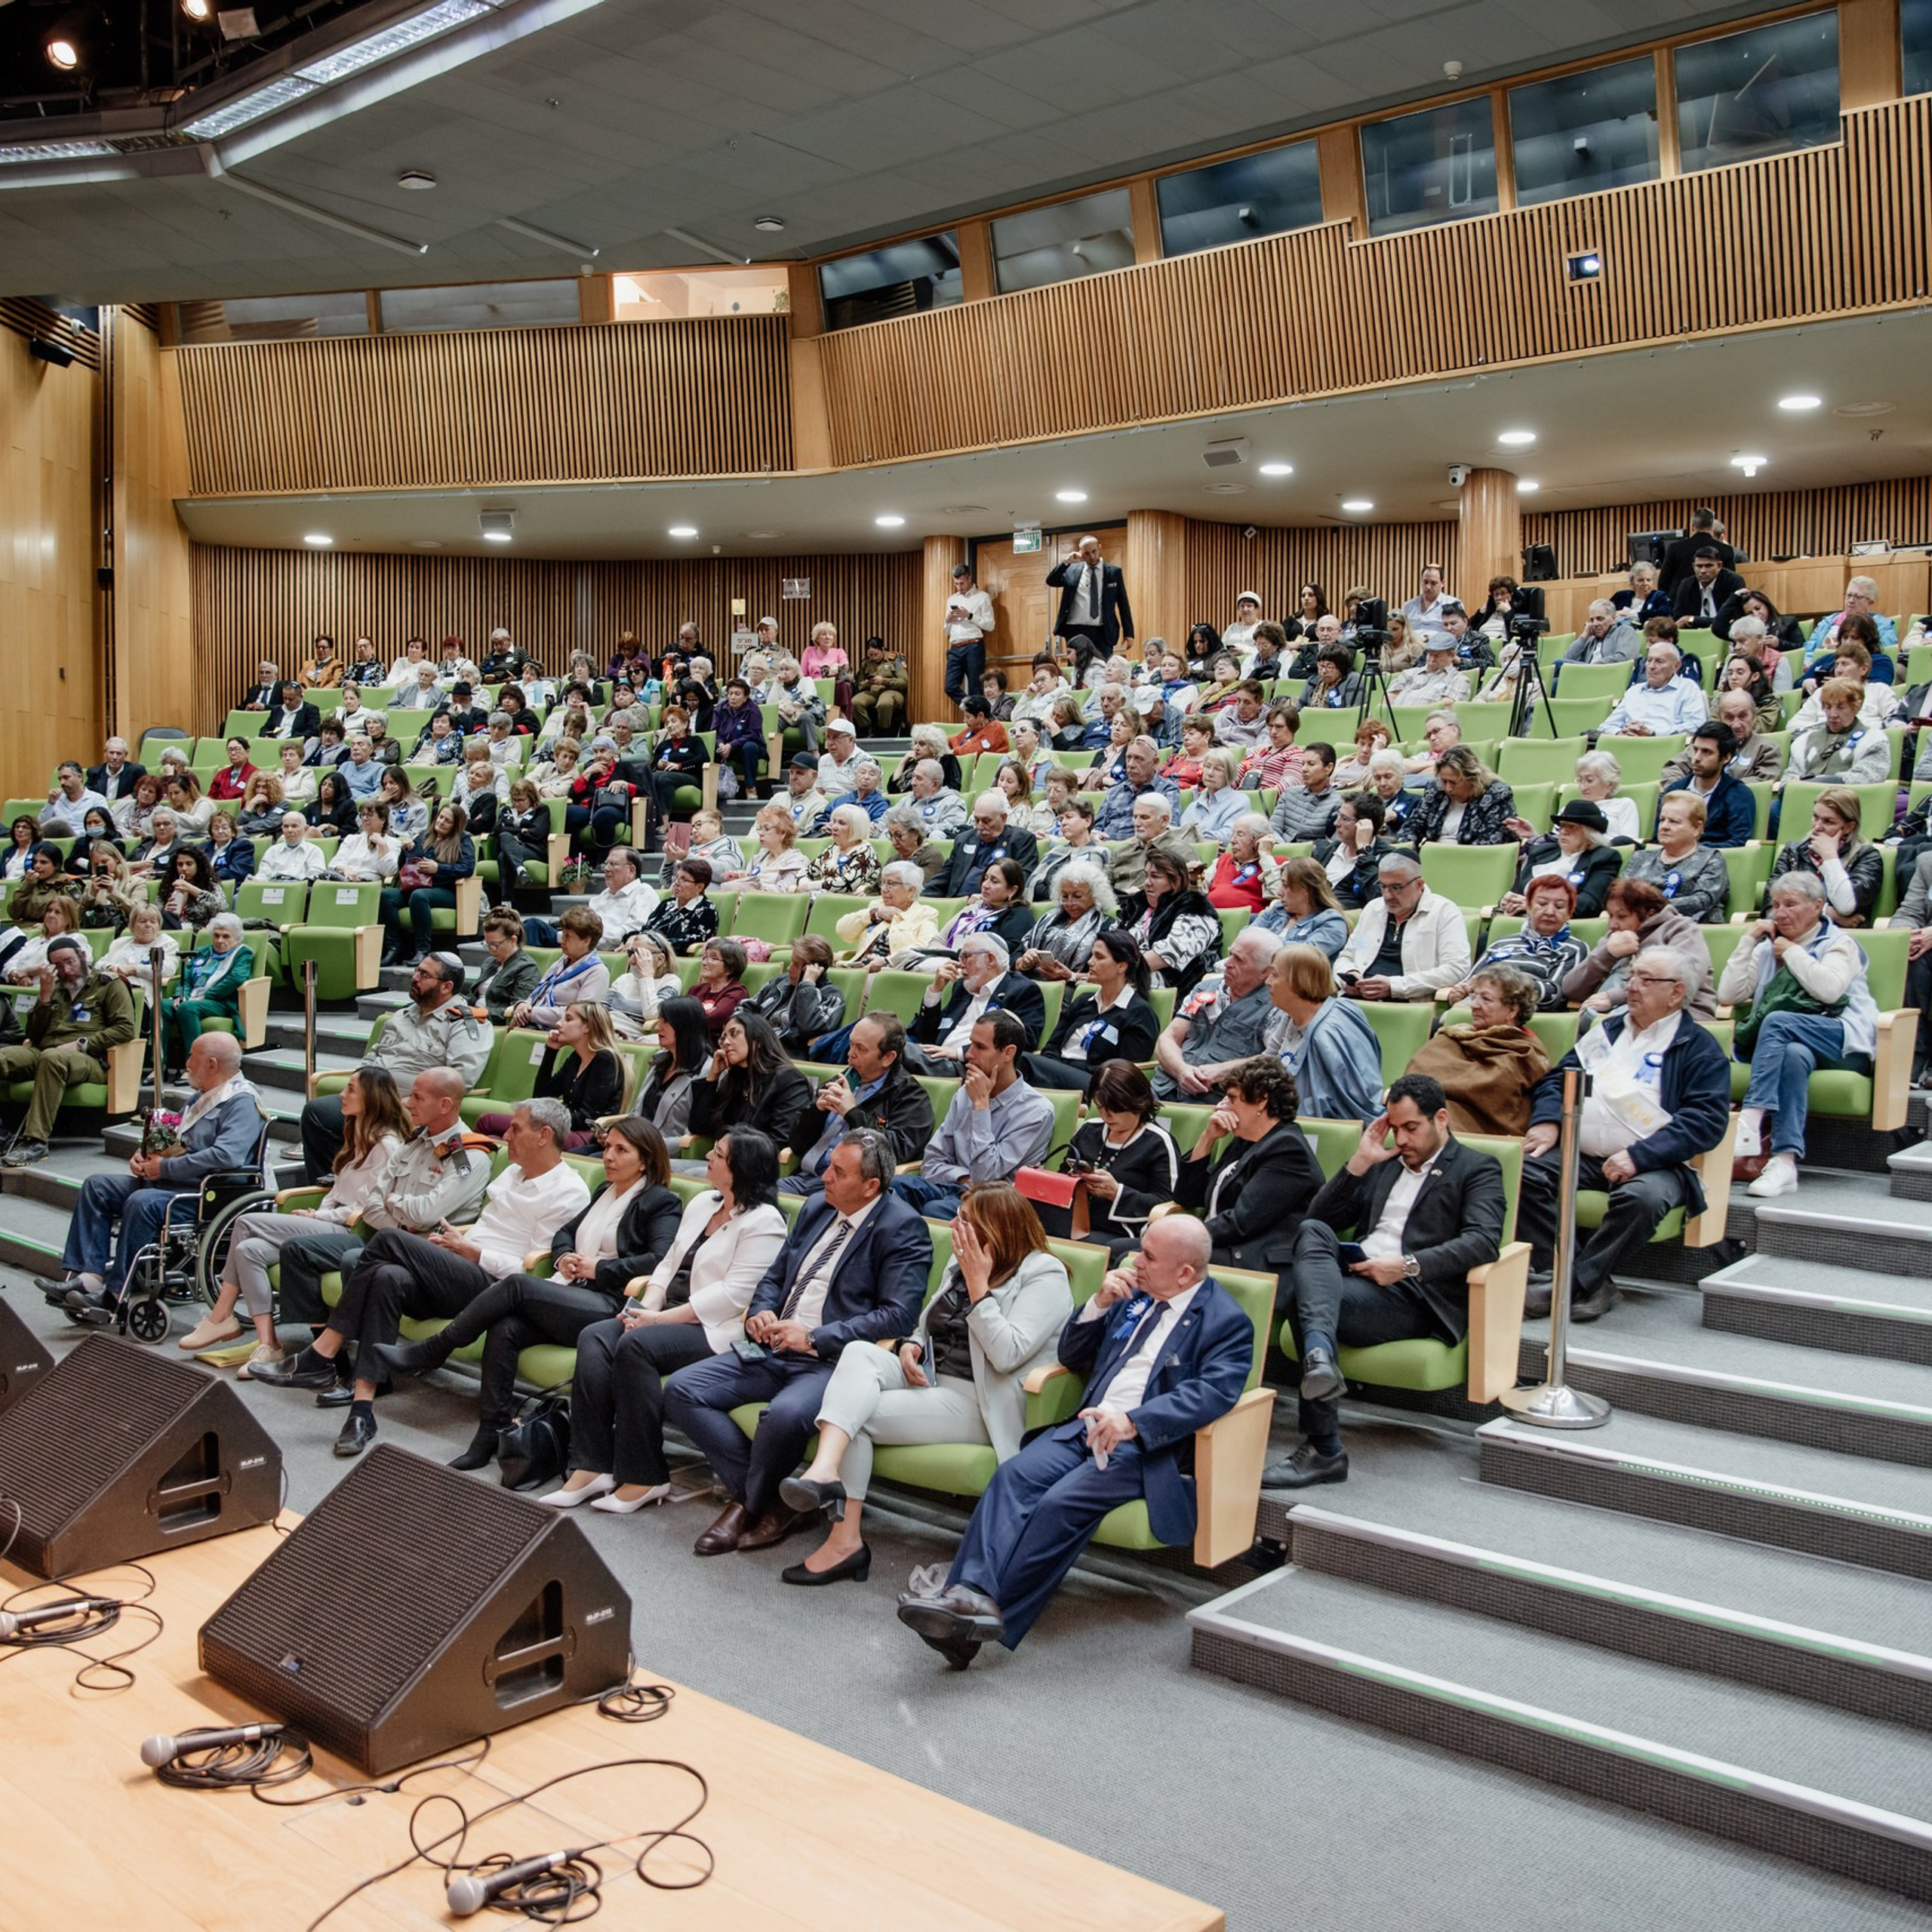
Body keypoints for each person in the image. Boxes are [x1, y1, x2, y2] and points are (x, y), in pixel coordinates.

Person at [896, 1214, 1246, 1664]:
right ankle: (968, 1594)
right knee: (1013, 1476)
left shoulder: (1225, 1322)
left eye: (1150, 1256)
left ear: (1185, 1273)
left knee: (1059, 1505)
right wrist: (1098, 1304)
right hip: (1082, 1426)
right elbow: (1071, 1356)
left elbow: (1211, 1394)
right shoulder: (1131, 1293)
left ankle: (969, 1625)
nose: (1136, 1260)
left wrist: (1134, 1421)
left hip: (1141, 1447)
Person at [781, 1183, 1074, 1585]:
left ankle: (844, 1541)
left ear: (997, 1228)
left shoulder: (1043, 1272)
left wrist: (978, 1286)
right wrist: (910, 1348)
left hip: (979, 1400)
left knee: (856, 1420)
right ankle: (824, 1470)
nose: (954, 1224)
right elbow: (925, 1328)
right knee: (857, 1353)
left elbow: (1008, 1354)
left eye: (966, 1220)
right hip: (930, 1378)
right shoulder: (961, 1262)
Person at [265, 1099, 592, 1457]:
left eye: (516, 1128)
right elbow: (488, 1229)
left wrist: (474, 1253)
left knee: (388, 1240)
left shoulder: (568, 1191)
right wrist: (459, 1241)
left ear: (545, 1136)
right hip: (461, 1267)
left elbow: (535, 1272)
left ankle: (324, 1349)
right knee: (387, 1275)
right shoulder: (512, 1172)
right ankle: (362, 1411)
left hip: (494, 1288)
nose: (506, 1134)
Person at [667, 1134, 932, 1554]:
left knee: (784, 1416)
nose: (823, 1176)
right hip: (772, 1345)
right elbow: (776, 1275)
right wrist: (762, 1310)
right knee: (682, 1389)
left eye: (838, 1173)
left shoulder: (903, 1228)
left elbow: (897, 1315)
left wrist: (813, 1337)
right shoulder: (815, 1207)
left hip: (831, 1361)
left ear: (871, 1187)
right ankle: (775, 1501)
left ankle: (745, 1505)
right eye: (828, 1165)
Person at [378, 1116, 685, 1469]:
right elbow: (564, 1233)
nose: (609, 1157)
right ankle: (490, 1431)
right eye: (608, 1147)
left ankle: (436, 1348)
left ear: (644, 1160)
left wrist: (598, 1268)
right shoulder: (605, 1191)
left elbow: (659, 1259)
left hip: (610, 1304)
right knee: (506, 1326)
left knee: (516, 1286)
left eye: (621, 1150)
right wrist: (565, 1256)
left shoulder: (660, 1201)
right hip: (572, 1291)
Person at [1267, 1075, 1506, 1489]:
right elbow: (1320, 1219)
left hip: (1412, 1297)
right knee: (1311, 1235)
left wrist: (1407, 1265)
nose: (1402, 1138)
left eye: (1411, 1127)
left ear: (1441, 1119)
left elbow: (1483, 1242)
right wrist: (1360, 1162)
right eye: (1395, 1128)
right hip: (1356, 1280)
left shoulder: (1476, 1168)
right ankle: (1320, 1361)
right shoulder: (1385, 1164)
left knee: (1300, 1292)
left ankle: (1324, 1446)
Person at [537, 1128, 789, 1514]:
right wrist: (642, 1309)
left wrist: (656, 1320)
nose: (709, 1158)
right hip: (665, 1312)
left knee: (635, 1346)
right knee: (597, 1336)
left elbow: (732, 1296)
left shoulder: (765, 1222)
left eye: (718, 1154)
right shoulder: (705, 1201)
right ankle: (591, 1465)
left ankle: (645, 1475)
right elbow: (668, 1263)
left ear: (741, 1168)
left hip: (716, 1328)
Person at [1521, 948, 1731, 1320]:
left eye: (1646, 980)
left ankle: (1570, 1284)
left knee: (1644, 1199)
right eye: (1632, 977)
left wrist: (1639, 1156)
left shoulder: (1698, 1047)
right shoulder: (1608, 1032)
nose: (1632, 987)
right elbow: (1558, 1080)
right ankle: (1590, 1281)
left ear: (1676, 992)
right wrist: (1548, 1121)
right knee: (1522, 1172)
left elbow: (1706, 1121)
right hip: (1581, 1154)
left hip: (1656, 1162)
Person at [186, 1066, 409, 1371]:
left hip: (349, 1229)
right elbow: (335, 1189)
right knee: (247, 1250)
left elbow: (366, 1206)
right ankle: (269, 1345)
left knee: (246, 1222)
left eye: (351, 1090)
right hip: (329, 1220)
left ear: (373, 1098)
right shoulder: (356, 1136)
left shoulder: (387, 1146)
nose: (342, 1095)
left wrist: (318, 1214)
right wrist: (319, 1210)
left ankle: (220, 1317)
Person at [35, 1032, 262, 1315]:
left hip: (204, 1194)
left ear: (213, 1065)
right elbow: (170, 1140)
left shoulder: (241, 1102)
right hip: (170, 1182)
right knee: (97, 1186)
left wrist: (164, 1167)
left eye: (193, 1057)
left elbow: (227, 1156)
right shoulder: (200, 1098)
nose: (187, 1063)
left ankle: (116, 1294)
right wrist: (144, 1157)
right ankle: (88, 1280)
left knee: (140, 1202)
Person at [1719, 874, 1881, 1201]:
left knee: (1779, 1021)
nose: (1780, 913)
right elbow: (1728, 993)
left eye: (1790, 904)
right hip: (1796, 1045)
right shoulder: (1768, 948)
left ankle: (1751, 1117)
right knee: (1793, 1054)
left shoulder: (1838, 943)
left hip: (1844, 1040)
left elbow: (1831, 990)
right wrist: (1749, 941)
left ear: (1818, 906)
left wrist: (1792, 953)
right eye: (1776, 905)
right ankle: (1785, 1161)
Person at [300, 952, 488, 1180]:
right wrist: (358, 1088)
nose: (415, 977)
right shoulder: (401, 1016)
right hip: (373, 1099)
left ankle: (360, 1188)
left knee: (325, 1114)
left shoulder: (463, 1023)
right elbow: (372, 1059)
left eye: (424, 974)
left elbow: (461, 1078)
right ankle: (336, 1184)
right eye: (417, 970)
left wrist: (410, 1102)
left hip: (407, 1106)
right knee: (318, 1113)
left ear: (446, 987)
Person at [896, 1010, 1056, 1218]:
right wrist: (963, 1178)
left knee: (933, 1210)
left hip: (996, 1206)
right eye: (971, 1044)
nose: (969, 1054)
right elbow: (932, 1161)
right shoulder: (965, 1093)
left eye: (980, 1047)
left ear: (1008, 1053)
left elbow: (985, 1176)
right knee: (894, 1189)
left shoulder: (1037, 1111)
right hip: (952, 1187)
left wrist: (982, 1107)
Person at [1174, 1054, 1325, 1275]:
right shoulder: (1244, 1140)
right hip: (1220, 1245)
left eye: (1232, 1098)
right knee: (1129, 1253)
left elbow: (1241, 1222)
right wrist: (1207, 1139)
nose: (1223, 1105)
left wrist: (1182, 1238)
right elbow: (1187, 1197)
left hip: (1251, 1259)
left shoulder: (1288, 1149)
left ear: (1262, 1101)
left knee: (1141, 1256)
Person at [0, 935, 140, 1169]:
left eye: (70, 961)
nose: (66, 970)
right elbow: (33, 1034)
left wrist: (81, 1044)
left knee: (52, 1057)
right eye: (58, 966)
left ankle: (35, 1141)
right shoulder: (54, 988)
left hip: (90, 1060)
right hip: (45, 1050)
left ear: (83, 956)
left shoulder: (110, 984)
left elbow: (125, 1029)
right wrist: (43, 998)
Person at [785, 1013, 935, 1194]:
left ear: (888, 1057)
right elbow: (796, 1142)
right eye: (851, 1044)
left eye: (861, 1049)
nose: (850, 1054)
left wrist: (852, 1112)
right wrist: (816, 1112)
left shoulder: (910, 1096)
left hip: (853, 1189)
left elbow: (895, 1151)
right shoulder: (841, 1080)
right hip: (805, 1177)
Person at [1407, 965, 1550, 1135]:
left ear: (1512, 1010)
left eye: (1486, 999)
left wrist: (1440, 1086)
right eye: (1474, 997)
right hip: (1431, 1115)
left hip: (1483, 1131)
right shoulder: (1454, 1037)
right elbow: (1417, 1073)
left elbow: (1494, 1088)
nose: (1474, 1005)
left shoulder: (1525, 1051)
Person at [1022, 928, 1160, 1090]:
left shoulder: (1140, 1013)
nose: (1090, 962)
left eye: (1099, 957)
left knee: (1021, 1060)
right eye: (1092, 955)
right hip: (1055, 1074)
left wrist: (1064, 1070)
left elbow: (1124, 1071)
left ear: (1121, 966)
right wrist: (1056, 1069)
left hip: (1099, 1084)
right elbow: (1051, 1047)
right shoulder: (1084, 1001)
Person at [1153, 928, 1280, 1101]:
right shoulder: (1204, 988)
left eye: (1240, 960)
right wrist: (1181, 1070)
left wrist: (1224, 1071)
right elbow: (1168, 1038)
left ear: (1266, 971)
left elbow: (1275, 1060)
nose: (1228, 963)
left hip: (1217, 1101)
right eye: (1231, 954)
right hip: (1164, 1087)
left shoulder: (1275, 1005)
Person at [1266, 942, 1386, 1122]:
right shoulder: (1291, 1015)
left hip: (1319, 1129)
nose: (1267, 982)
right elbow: (1269, 1060)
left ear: (1298, 984)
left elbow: (1350, 1104)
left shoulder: (1329, 1035)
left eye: (1274, 975)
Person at [478, 1001, 623, 1146]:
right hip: (564, 1128)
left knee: (488, 1121)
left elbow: (588, 1118)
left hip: (586, 1136)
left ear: (588, 1027)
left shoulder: (605, 1059)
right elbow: (541, 1097)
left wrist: (539, 1119)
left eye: (568, 1019)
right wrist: (551, 1051)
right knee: (494, 1138)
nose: (559, 1024)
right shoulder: (576, 1058)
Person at [1333, 854, 1471, 1001]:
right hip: (1355, 1000)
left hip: (1406, 1005)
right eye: (1383, 886)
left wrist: (1395, 986)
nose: (1387, 895)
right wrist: (1349, 974)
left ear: (1419, 884)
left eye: (1396, 888)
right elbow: (1347, 956)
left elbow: (1456, 969)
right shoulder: (1373, 909)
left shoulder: (1444, 912)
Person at [686, 1008, 814, 1161]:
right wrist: (713, 1077)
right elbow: (698, 1126)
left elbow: (780, 1140)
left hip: (751, 1169)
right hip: (720, 1162)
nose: (726, 1043)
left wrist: (729, 1155)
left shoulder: (788, 1080)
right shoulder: (735, 1079)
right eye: (723, 1038)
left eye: (734, 1034)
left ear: (757, 1041)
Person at [906, 932, 1046, 1069]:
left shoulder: (1022, 990)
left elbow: (1022, 1042)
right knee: (892, 1046)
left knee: (894, 1050)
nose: (960, 964)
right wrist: (935, 991)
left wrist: (960, 1053)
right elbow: (926, 1037)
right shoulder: (962, 987)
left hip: (973, 1067)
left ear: (990, 959)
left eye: (966, 957)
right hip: (937, 1059)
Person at [1455, 874, 1589, 1010]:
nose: (1550, 912)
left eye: (1559, 906)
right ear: (1529, 906)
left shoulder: (1574, 948)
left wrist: (1502, 985)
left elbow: (1553, 994)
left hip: (1524, 1015)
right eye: (1542, 904)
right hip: (1477, 1007)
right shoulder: (1503, 942)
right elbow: (1471, 981)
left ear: (1570, 912)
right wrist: (1461, 990)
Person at [1770, 785, 1883, 928]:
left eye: (1828, 821)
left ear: (1849, 827)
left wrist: (1830, 858)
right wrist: (1828, 913)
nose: (1817, 826)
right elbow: (1771, 903)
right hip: (1791, 933)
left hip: (1840, 939)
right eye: (1815, 817)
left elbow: (1846, 906)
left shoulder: (1867, 856)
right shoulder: (1794, 851)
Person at [156, 912, 253, 1075]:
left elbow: (236, 978)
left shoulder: (243, 953)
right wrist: (180, 996)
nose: (220, 940)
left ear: (236, 939)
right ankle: (159, 1064)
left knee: (187, 1008)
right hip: (193, 999)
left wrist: (206, 996)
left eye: (225, 936)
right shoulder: (202, 952)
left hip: (220, 1002)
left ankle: (194, 1066)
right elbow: (186, 977)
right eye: (216, 935)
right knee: (161, 1007)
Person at [378, 802, 474, 968]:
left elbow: (467, 868)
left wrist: (438, 869)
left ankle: (422, 949)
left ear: (456, 825)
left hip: (446, 890)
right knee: (385, 896)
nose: (442, 822)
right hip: (416, 886)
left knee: (419, 896)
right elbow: (404, 866)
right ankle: (393, 948)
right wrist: (405, 850)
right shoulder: (424, 836)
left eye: (448, 821)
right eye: (441, 817)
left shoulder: (463, 840)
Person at [1118, 847, 1220, 996]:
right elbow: (1111, 943)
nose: (1147, 883)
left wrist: (1113, 971)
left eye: (1155, 877)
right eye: (1146, 876)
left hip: (1172, 986)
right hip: (1123, 974)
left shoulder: (1196, 910)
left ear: (1175, 881)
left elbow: (1168, 953)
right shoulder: (1136, 906)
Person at [1500, 798, 1622, 917]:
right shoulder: (1541, 852)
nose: (1564, 831)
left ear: (1590, 834)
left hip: (1561, 924)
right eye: (1562, 826)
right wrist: (1506, 900)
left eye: (1572, 827)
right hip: (1521, 919)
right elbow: (1517, 891)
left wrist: (1535, 905)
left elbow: (1589, 903)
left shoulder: (1604, 858)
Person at [1623, 792, 1730, 922]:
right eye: (1662, 820)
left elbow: (1701, 901)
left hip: (1689, 931)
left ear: (1697, 828)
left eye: (1674, 821)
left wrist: (1649, 908)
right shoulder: (1640, 858)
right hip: (1638, 928)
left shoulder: (1711, 859)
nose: (1664, 827)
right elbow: (1620, 896)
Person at [1657, 721, 1756, 846]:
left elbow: (1739, 842)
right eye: (1695, 750)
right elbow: (1658, 839)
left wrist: (1691, 850)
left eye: (1706, 752)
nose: (1697, 758)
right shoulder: (1675, 791)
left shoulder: (1739, 794)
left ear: (1726, 758)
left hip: (1715, 860)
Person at [746, 934, 845, 1055]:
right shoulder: (780, 982)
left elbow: (810, 1028)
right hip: (754, 1047)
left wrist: (807, 986)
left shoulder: (832, 996)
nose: (789, 968)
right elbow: (747, 1006)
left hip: (783, 1057)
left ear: (810, 969)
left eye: (795, 965)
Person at [1016, 861, 1113, 980]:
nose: (1069, 903)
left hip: (1070, 990)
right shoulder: (1049, 917)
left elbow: (1110, 975)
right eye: (1065, 896)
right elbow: (1017, 954)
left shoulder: (1108, 927)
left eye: (1077, 896)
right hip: (1027, 981)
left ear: (1096, 895)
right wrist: (1023, 962)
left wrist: (1072, 976)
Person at [836, 859, 938, 970]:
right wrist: (875, 914)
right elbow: (842, 930)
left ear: (910, 891)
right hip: (859, 968)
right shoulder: (877, 906)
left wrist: (887, 961)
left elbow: (926, 948)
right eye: (883, 882)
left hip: (890, 971)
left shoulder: (925, 914)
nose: (884, 889)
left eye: (891, 884)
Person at [934, 792, 1039, 898]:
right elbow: (944, 876)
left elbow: (1023, 880)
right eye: (977, 820)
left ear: (1003, 818)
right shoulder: (964, 839)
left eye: (986, 821)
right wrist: (922, 897)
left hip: (994, 904)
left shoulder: (1021, 840)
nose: (980, 826)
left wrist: (986, 897)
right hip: (957, 902)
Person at [1403, 746, 1515, 845]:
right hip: (1433, 858)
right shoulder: (1435, 789)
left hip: (1473, 861)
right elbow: (1414, 825)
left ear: (1472, 779)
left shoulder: (1496, 794)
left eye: (1453, 782)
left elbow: (1491, 842)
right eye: (1444, 781)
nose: (1448, 788)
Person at [1047, 534, 1134, 661]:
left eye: (1094, 551)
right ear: (1081, 553)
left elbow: (1123, 603)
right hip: (1076, 630)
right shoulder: (1072, 570)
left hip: (1103, 631)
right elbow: (1051, 581)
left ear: (1100, 548)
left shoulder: (1113, 572)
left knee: (1104, 669)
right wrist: (1067, 562)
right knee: (1078, 670)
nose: (1092, 556)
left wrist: (1129, 633)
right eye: (1087, 553)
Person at [1786, 678, 1890, 783]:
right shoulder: (1804, 741)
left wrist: (1818, 782)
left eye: (1841, 708)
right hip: (1801, 796)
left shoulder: (1873, 740)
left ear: (1857, 707)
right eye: (1828, 707)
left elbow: (1866, 777)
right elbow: (1789, 778)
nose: (1833, 714)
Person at [1598, 640, 1706, 738]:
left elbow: (1696, 726)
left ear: (1676, 666)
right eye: (1649, 660)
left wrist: (1652, 733)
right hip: (1627, 745)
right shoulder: (1634, 691)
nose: (1651, 666)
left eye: (1659, 661)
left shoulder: (1687, 688)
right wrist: (1620, 733)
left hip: (1665, 747)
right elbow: (1606, 726)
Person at [1267, 740, 1342, 842]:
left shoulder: (1337, 803)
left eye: (1311, 764)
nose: (1304, 769)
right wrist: (1283, 848)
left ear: (1329, 768)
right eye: (1303, 764)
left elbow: (1329, 845)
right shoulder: (1289, 794)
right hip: (1280, 849)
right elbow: (1273, 828)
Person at [1572, 749, 1641, 844]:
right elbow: (1555, 840)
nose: (1583, 787)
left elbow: (1629, 844)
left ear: (1609, 785)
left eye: (1589, 780)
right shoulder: (1570, 808)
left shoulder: (1624, 805)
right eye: (1580, 780)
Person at [850, 636, 909, 737]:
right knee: (855, 702)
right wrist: (867, 683)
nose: (874, 657)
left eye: (876, 654)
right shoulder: (866, 663)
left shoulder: (895, 660)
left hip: (892, 691)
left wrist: (884, 681)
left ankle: (884, 732)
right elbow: (859, 685)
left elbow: (904, 682)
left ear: (883, 649)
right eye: (871, 655)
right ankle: (868, 731)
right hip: (872, 691)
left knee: (884, 703)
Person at [86, 737, 146, 804]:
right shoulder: (94, 772)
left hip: (124, 809)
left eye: (119, 754)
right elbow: (87, 793)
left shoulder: (136, 771)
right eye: (111, 753)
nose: (115, 757)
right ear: (105, 753)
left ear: (126, 755)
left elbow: (146, 789)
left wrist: (132, 796)